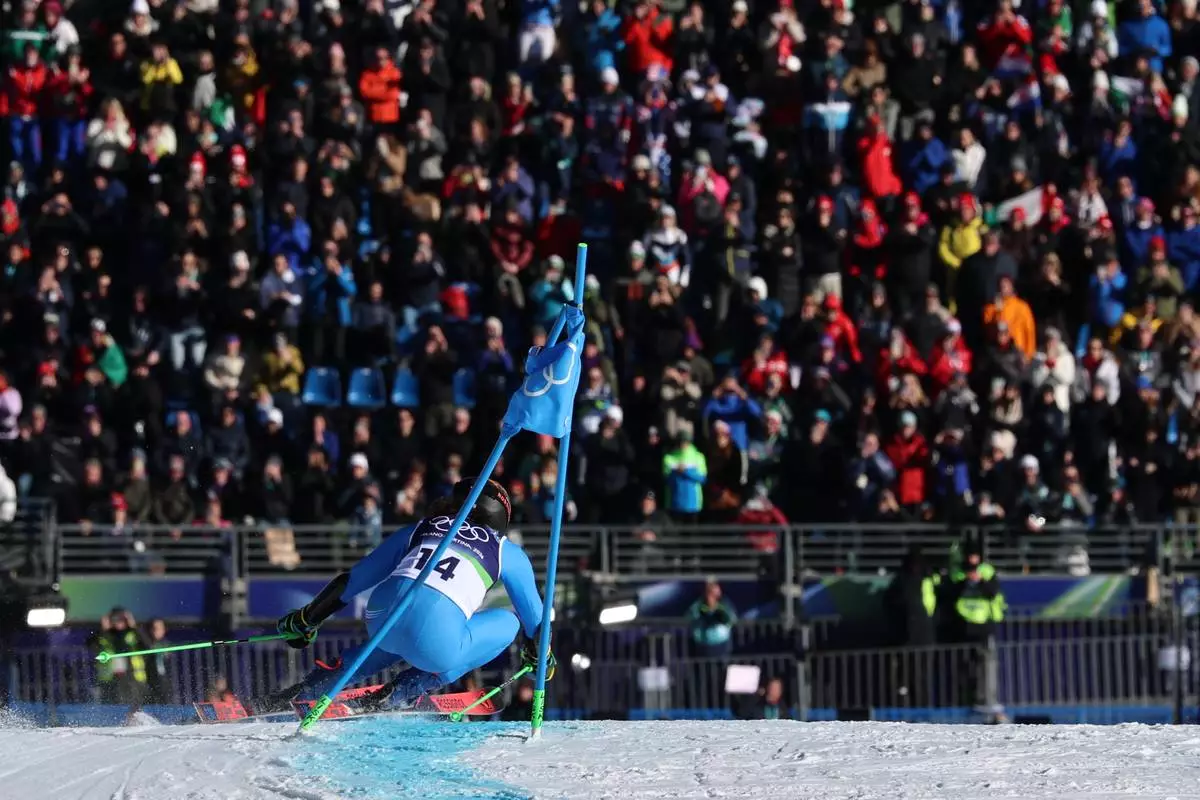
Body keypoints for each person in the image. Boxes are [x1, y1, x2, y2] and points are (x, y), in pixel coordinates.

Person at [248, 478, 553, 713]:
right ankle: (403, 691)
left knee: (397, 634)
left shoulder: (421, 526)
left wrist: (307, 619)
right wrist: (542, 659)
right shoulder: (506, 551)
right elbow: (537, 626)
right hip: (436, 641)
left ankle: (307, 689)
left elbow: (353, 580)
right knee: (510, 623)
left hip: (380, 615)